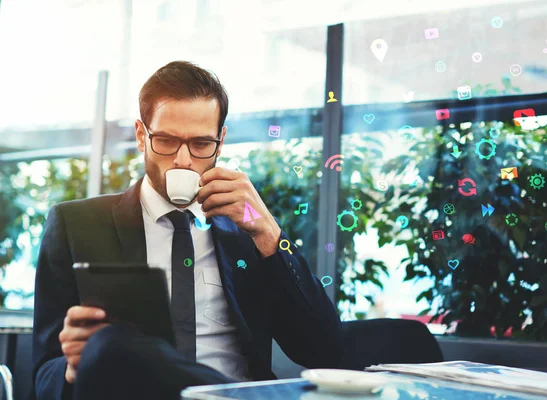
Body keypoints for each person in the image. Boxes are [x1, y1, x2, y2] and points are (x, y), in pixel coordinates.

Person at [32, 61, 343, 400]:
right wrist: (74, 367)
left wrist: (269, 234)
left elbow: (325, 350)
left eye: (200, 144)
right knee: (110, 345)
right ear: (141, 135)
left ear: (220, 142)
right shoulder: (76, 225)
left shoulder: (247, 233)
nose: (182, 160)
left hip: (242, 392)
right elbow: (43, 374)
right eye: (165, 141)